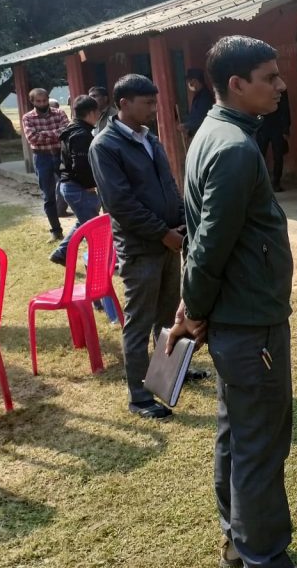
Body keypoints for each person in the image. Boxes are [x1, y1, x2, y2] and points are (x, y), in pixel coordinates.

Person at [169, 36, 296, 568]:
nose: (281, 85)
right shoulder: (235, 149)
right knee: (259, 444)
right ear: (237, 84)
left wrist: (192, 303)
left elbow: (205, 236)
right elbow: (207, 244)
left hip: (237, 316)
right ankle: (261, 554)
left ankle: (237, 541)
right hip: (249, 322)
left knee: (237, 432)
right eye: (270, 77)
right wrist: (193, 309)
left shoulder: (215, 132)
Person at [89, 74, 185, 420]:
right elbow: (121, 204)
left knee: (168, 315)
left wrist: (181, 222)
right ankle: (140, 397)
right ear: (124, 104)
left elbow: (169, 186)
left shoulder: (150, 139)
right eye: (147, 103)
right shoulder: (105, 146)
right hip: (141, 248)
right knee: (139, 323)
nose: (154, 109)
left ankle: (168, 374)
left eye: (155, 102)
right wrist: (162, 233)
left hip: (169, 241)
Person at [49, 95, 101, 266]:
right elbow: (80, 165)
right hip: (78, 187)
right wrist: (89, 185)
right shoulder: (81, 135)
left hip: (71, 185)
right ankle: (95, 262)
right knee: (93, 228)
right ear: (91, 113)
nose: (98, 115)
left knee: (83, 222)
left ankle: (61, 253)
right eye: (97, 112)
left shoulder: (73, 129)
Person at [21, 88, 69, 240]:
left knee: (72, 189)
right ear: (32, 102)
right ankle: (56, 231)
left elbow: (66, 132)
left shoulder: (59, 113)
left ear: (48, 99)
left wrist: (43, 134)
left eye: (44, 100)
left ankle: (82, 226)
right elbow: (32, 138)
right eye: (38, 101)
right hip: (42, 158)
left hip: (61, 155)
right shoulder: (28, 117)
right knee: (48, 196)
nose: (42, 104)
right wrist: (56, 133)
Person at [256, 87, 290, 192]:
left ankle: (276, 183)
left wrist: (286, 129)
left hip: (276, 126)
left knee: (278, 157)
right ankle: (260, 183)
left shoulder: (279, 88)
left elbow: (285, 108)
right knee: (259, 156)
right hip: (263, 126)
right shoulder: (260, 87)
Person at [180, 67, 215, 139]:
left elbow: (201, 119)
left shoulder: (205, 98)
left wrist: (185, 126)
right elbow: (194, 116)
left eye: (190, 82)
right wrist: (189, 132)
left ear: (195, 81)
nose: (189, 84)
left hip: (206, 136)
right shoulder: (198, 96)